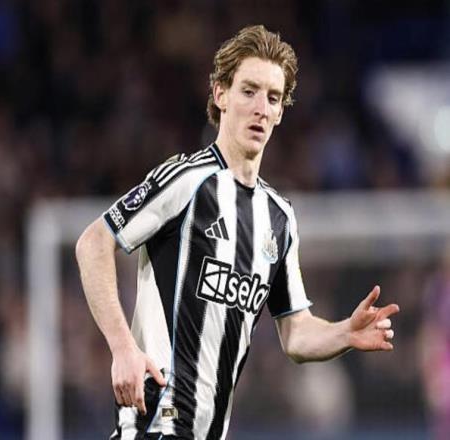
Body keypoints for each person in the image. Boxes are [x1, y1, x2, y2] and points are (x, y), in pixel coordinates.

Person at [75, 25, 400, 440]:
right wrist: (123, 348)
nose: (261, 108)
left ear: (281, 113)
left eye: (273, 97)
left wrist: (344, 333)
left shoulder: (279, 218)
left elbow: (295, 334)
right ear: (220, 95)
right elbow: (94, 241)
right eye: (249, 91)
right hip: (154, 424)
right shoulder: (187, 180)